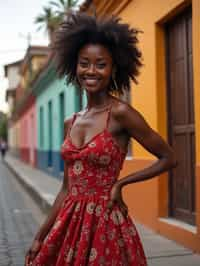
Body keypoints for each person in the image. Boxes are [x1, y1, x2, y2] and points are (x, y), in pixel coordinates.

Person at [25, 12, 177, 266]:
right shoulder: (70, 122)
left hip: (106, 225)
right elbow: (66, 189)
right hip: (70, 225)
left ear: (114, 68)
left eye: (101, 64)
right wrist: (40, 236)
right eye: (84, 63)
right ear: (75, 66)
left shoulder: (121, 114)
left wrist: (120, 185)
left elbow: (169, 158)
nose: (91, 71)